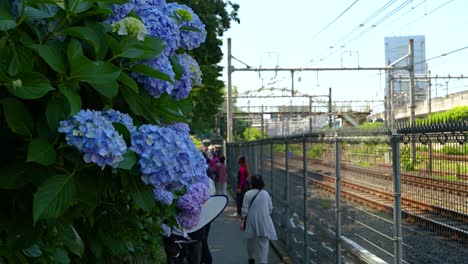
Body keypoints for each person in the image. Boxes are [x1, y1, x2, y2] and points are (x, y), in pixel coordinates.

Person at [240, 174, 277, 264]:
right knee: (264, 242)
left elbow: (244, 209)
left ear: (251, 183)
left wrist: (242, 220)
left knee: (251, 240)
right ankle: (263, 261)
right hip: (264, 220)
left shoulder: (248, 194)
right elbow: (270, 208)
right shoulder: (266, 193)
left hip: (251, 220)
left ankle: (251, 259)